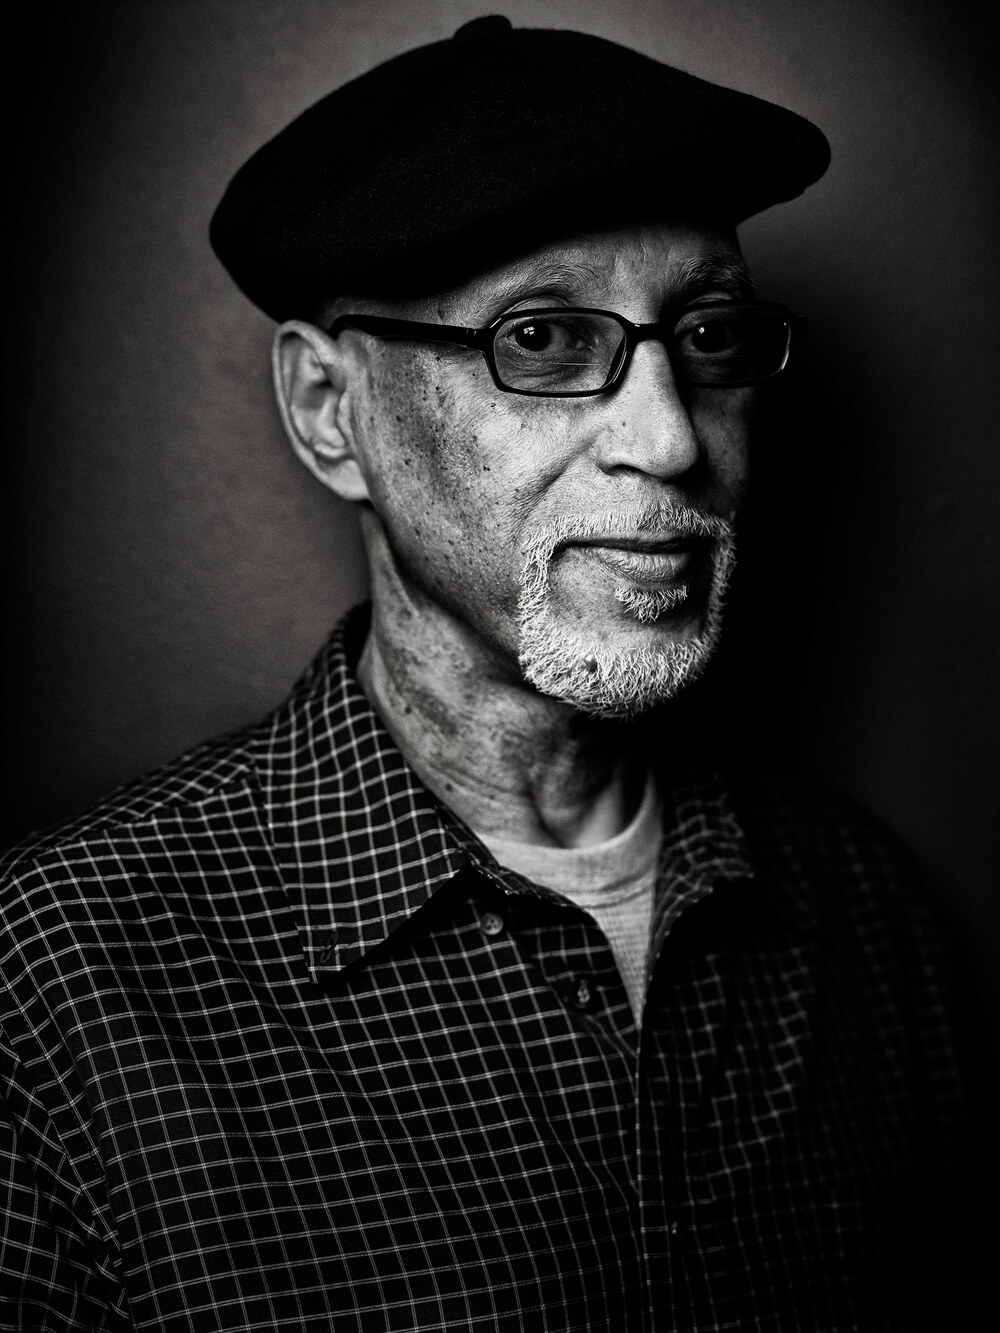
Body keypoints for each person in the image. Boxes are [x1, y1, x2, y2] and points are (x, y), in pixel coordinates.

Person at [0, 16, 982, 1332]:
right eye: (542, 340)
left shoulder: (870, 917)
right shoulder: (62, 982)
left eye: (707, 337)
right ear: (330, 412)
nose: (670, 439)